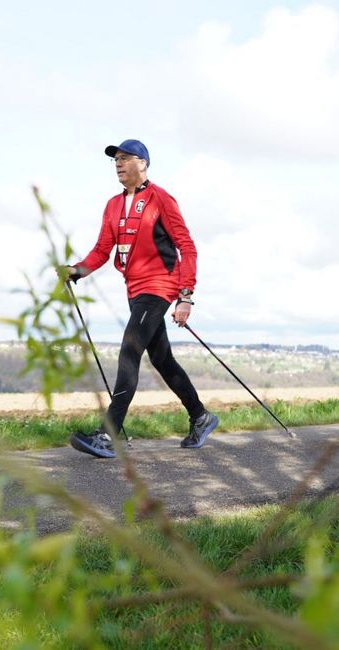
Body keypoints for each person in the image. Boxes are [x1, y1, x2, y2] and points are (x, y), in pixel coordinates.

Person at [61, 139, 218, 458]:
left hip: (160, 287)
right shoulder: (112, 205)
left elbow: (187, 248)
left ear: (142, 163)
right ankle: (200, 416)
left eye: (125, 158)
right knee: (162, 360)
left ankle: (108, 434)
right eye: (115, 160)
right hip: (135, 291)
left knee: (129, 352)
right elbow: (102, 250)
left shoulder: (161, 199)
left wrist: (185, 296)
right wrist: (76, 271)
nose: (118, 164)